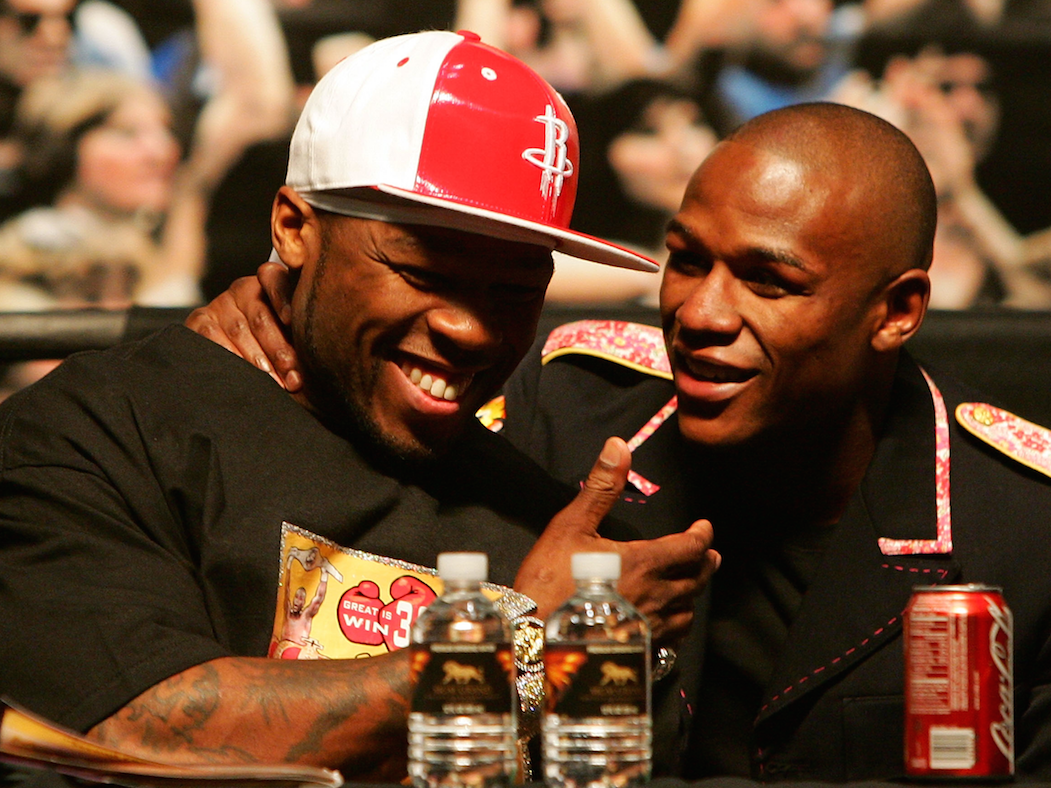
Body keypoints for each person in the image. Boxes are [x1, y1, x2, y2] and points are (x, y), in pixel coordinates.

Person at [202, 101, 1051, 782]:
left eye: (767, 281)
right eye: (687, 260)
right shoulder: (571, 405)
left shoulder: (1021, 529)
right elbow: (361, 458)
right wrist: (256, 336)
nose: (701, 313)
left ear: (896, 311)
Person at [0, 29, 716, 783]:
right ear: (294, 229)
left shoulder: (554, 522)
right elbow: (127, 733)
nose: (472, 329)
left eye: (514, 289)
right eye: (423, 270)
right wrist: (526, 645)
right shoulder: (96, 432)